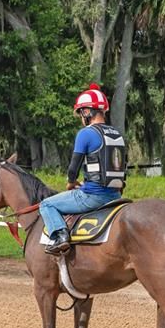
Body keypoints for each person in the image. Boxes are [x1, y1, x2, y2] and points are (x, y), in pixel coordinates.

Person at [39, 83, 127, 255]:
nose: (80, 117)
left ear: (87, 112)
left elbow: (73, 168)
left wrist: (71, 183)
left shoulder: (86, 133)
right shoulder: (117, 134)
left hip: (93, 196)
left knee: (46, 204)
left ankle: (60, 237)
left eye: (81, 112)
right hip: (115, 196)